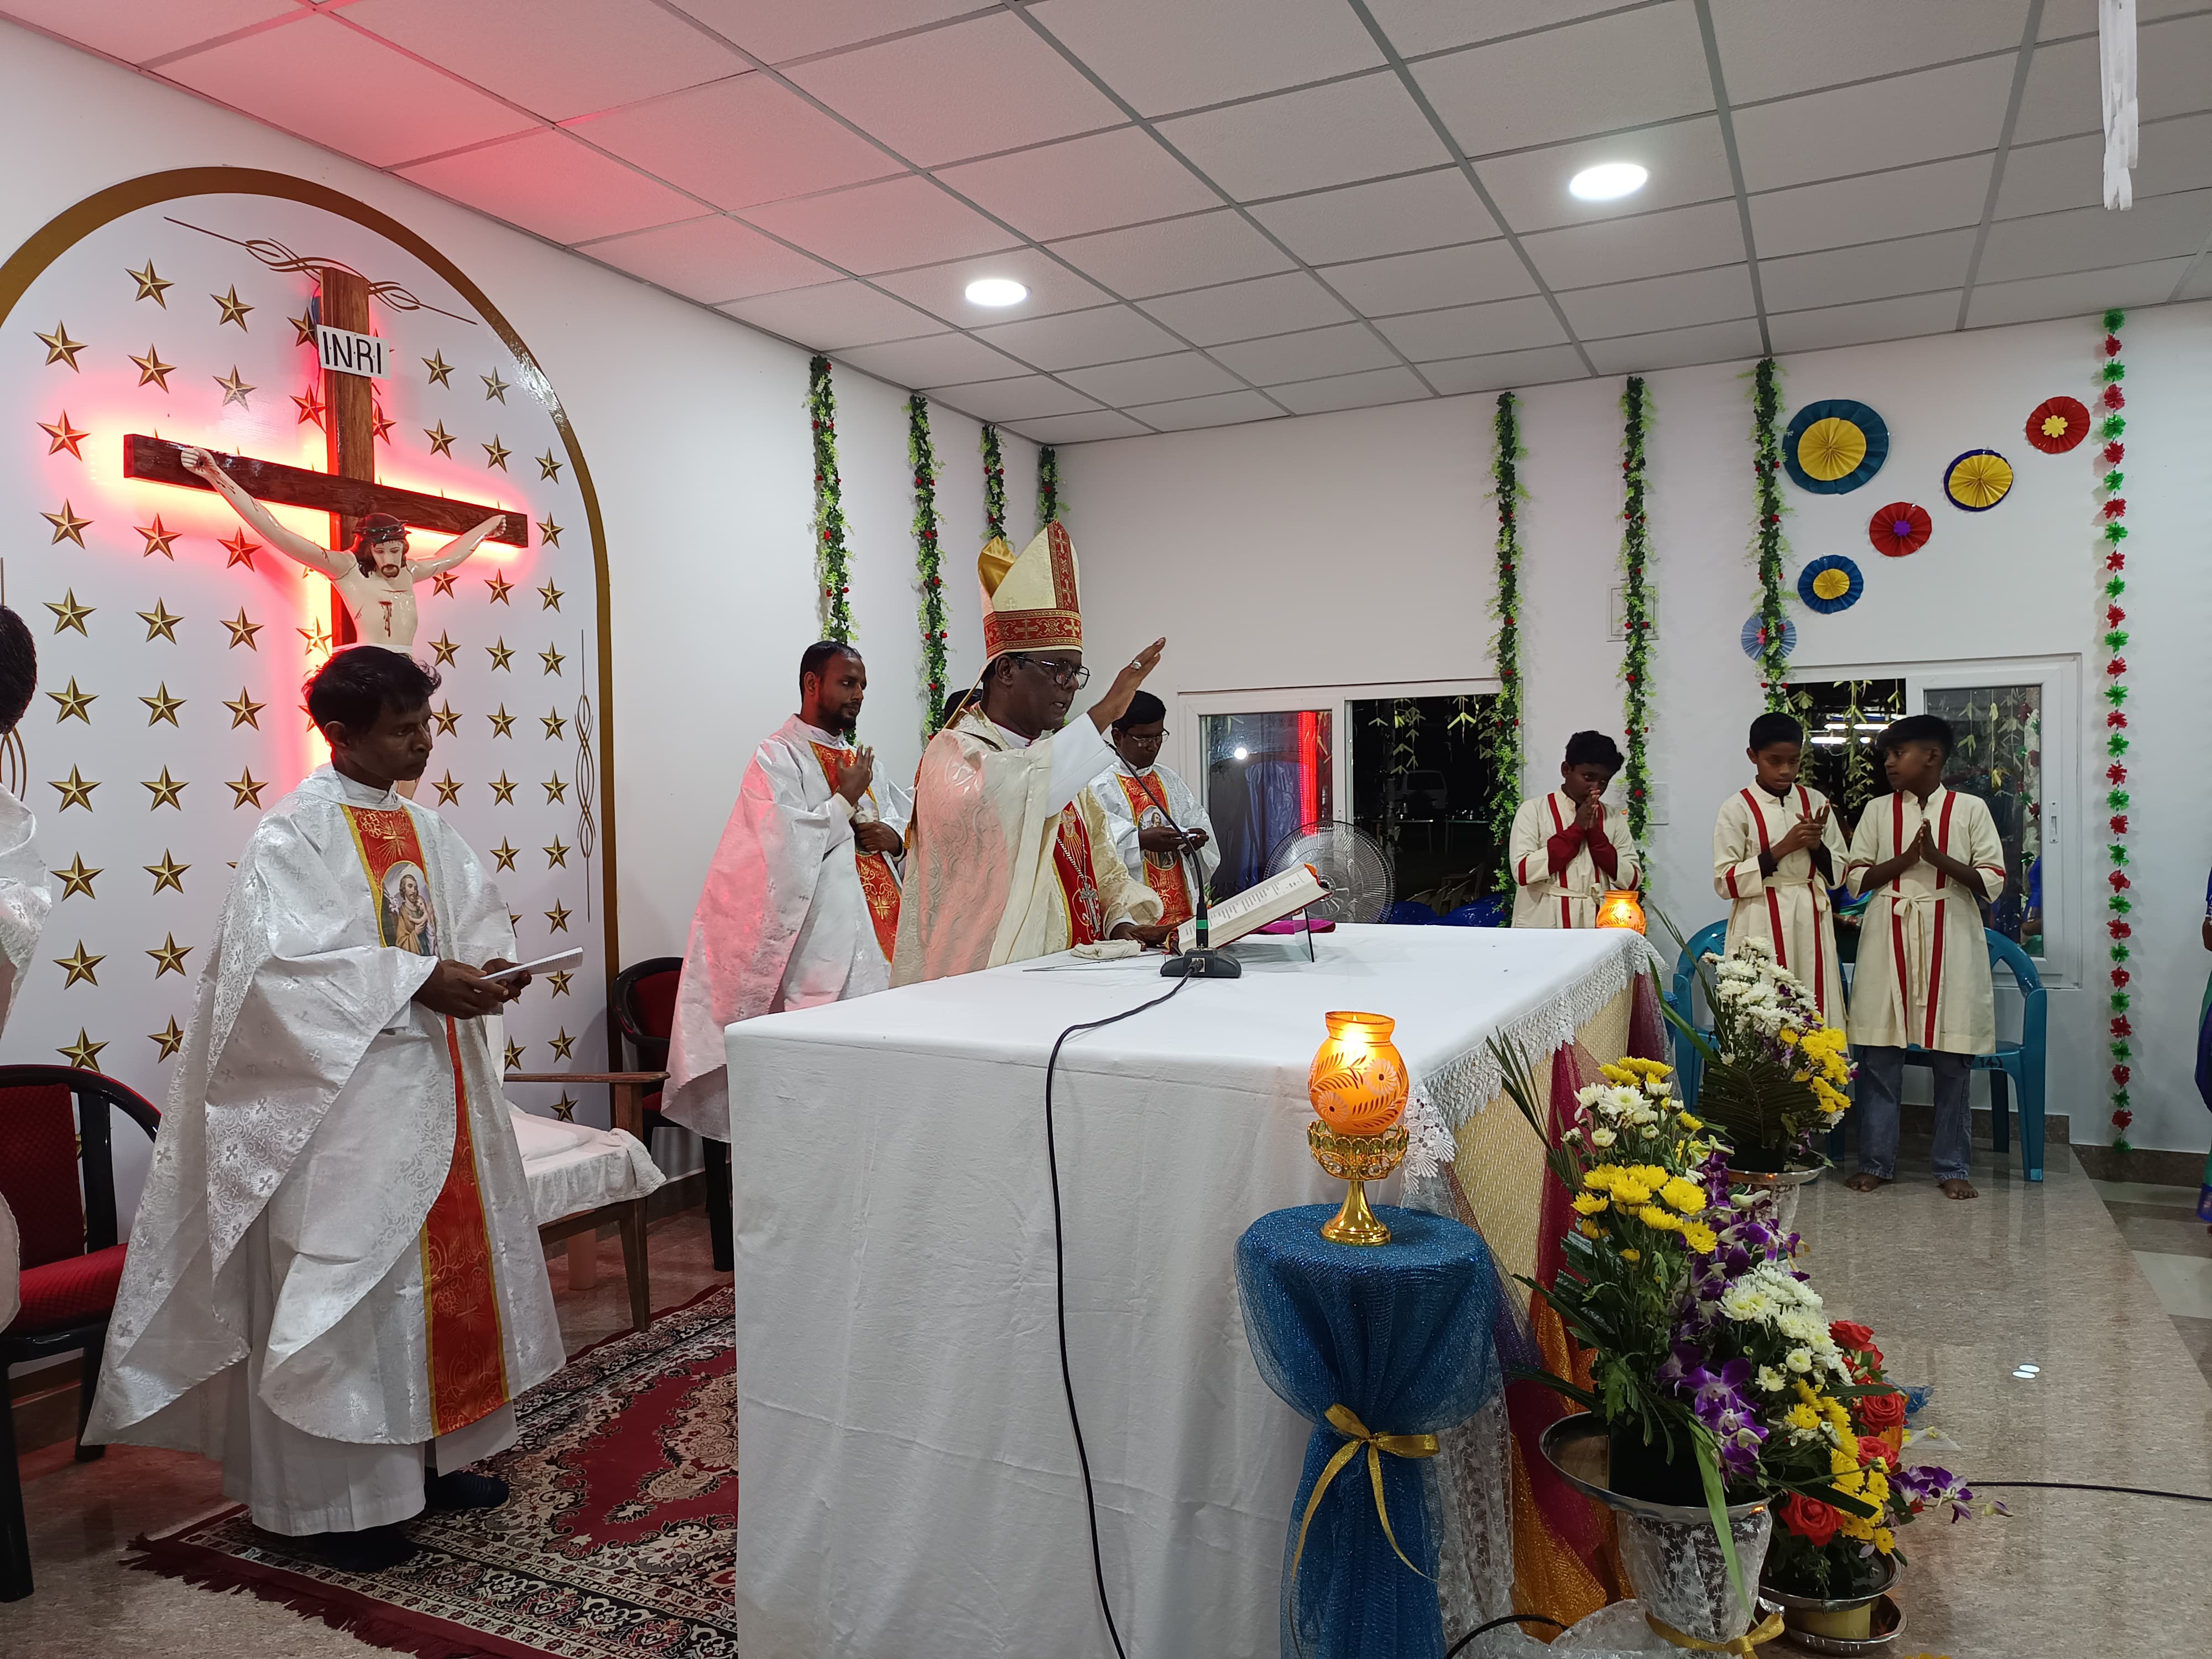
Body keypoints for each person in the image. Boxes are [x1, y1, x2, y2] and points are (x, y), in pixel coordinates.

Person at [86, 646, 564, 1572]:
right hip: (344, 1116)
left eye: (426, 723)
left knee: (440, 1285)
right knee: (361, 1296)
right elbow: (274, 979)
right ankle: (342, 1508)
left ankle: (431, 1463)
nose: (422, 743)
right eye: (402, 729)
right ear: (340, 734)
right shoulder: (292, 838)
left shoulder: (426, 828)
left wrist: (490, 970)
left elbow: (470, 924)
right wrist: (417, 979)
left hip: (442, 1096)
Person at [892, 524, 1169, 983]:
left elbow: (1104, 869)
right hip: (992, 989)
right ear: (1005, 670)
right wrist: (1106, 712)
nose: (1070, 685)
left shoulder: (1052, 763)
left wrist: (1123, 924)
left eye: (1075, 672)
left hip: (1076, 980)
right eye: (1057, 668)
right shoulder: (955, 757)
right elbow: (1015, 794)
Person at [663, 640, 911, 1146]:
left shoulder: (864, 762)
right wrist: (844, 800)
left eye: (863, 685)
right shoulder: (777, 757)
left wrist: (895, 837)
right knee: (828, 1102)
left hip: (889, 945)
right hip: (823, 953)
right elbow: (779, 849)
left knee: (888, 1096)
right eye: (848, 683)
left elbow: (903, 823)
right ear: (812, 684)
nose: (859, 695)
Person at [1843, 715, 2006, 1201]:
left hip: (1951, 933)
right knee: (1880, 1055)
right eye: (1887, 755)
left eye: (1899, 753)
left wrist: (1937, 859)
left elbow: (1992, 881)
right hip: (1888, 932)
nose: (1889, 763)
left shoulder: (1971, 809)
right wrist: (1905, 861)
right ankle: (1876, 1161)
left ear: (1932, 756)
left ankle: (1952, 1164)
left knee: (1952, 1059)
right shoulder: (1877, 810)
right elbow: (1856, 879)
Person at [179, 446, 503, 654]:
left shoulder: (410, 571)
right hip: (370, 670)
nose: (390, 560)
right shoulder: (346, 567)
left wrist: (487, 528)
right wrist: (216, 475)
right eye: (381, 552)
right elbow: (277, 533)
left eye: (395, 551)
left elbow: (450, 556)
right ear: (367, 549)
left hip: (407, 670)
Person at [1712, 711, 1850, 1020]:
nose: (1785, 770)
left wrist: (1817, 847)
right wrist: (1783, 848)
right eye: (1774, 761)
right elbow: (1725, 881)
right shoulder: (1737, 808)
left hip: (1809, 913)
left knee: (1814, 1001)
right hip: (1759, 915)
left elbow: (1841, 874)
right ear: (1753, 756)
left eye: (1794, 761)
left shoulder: (1816, 802)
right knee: (1764, 1008)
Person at [1088, 690, 1219, 934]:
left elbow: (1197, 823)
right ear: (1117, 736)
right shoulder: (1098, 784)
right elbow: (1096, 846)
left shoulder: (1169, 779)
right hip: (1134, 921)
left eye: (1159, 736)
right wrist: (1139, 840)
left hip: (1183, 909)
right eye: (1144, 739)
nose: (1153, 746)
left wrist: (1194, 841)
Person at [1509, 731, 1641, 929]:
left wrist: (1597, 838)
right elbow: (1523, 873)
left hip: (1597, 921)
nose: (1596, 788)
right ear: (1566, 769)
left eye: (1604, 781)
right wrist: (1576, 830)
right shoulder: (1533, 810)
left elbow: (1632, 880)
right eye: (1588, 777)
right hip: (1543, 921)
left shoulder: (1613, 817)